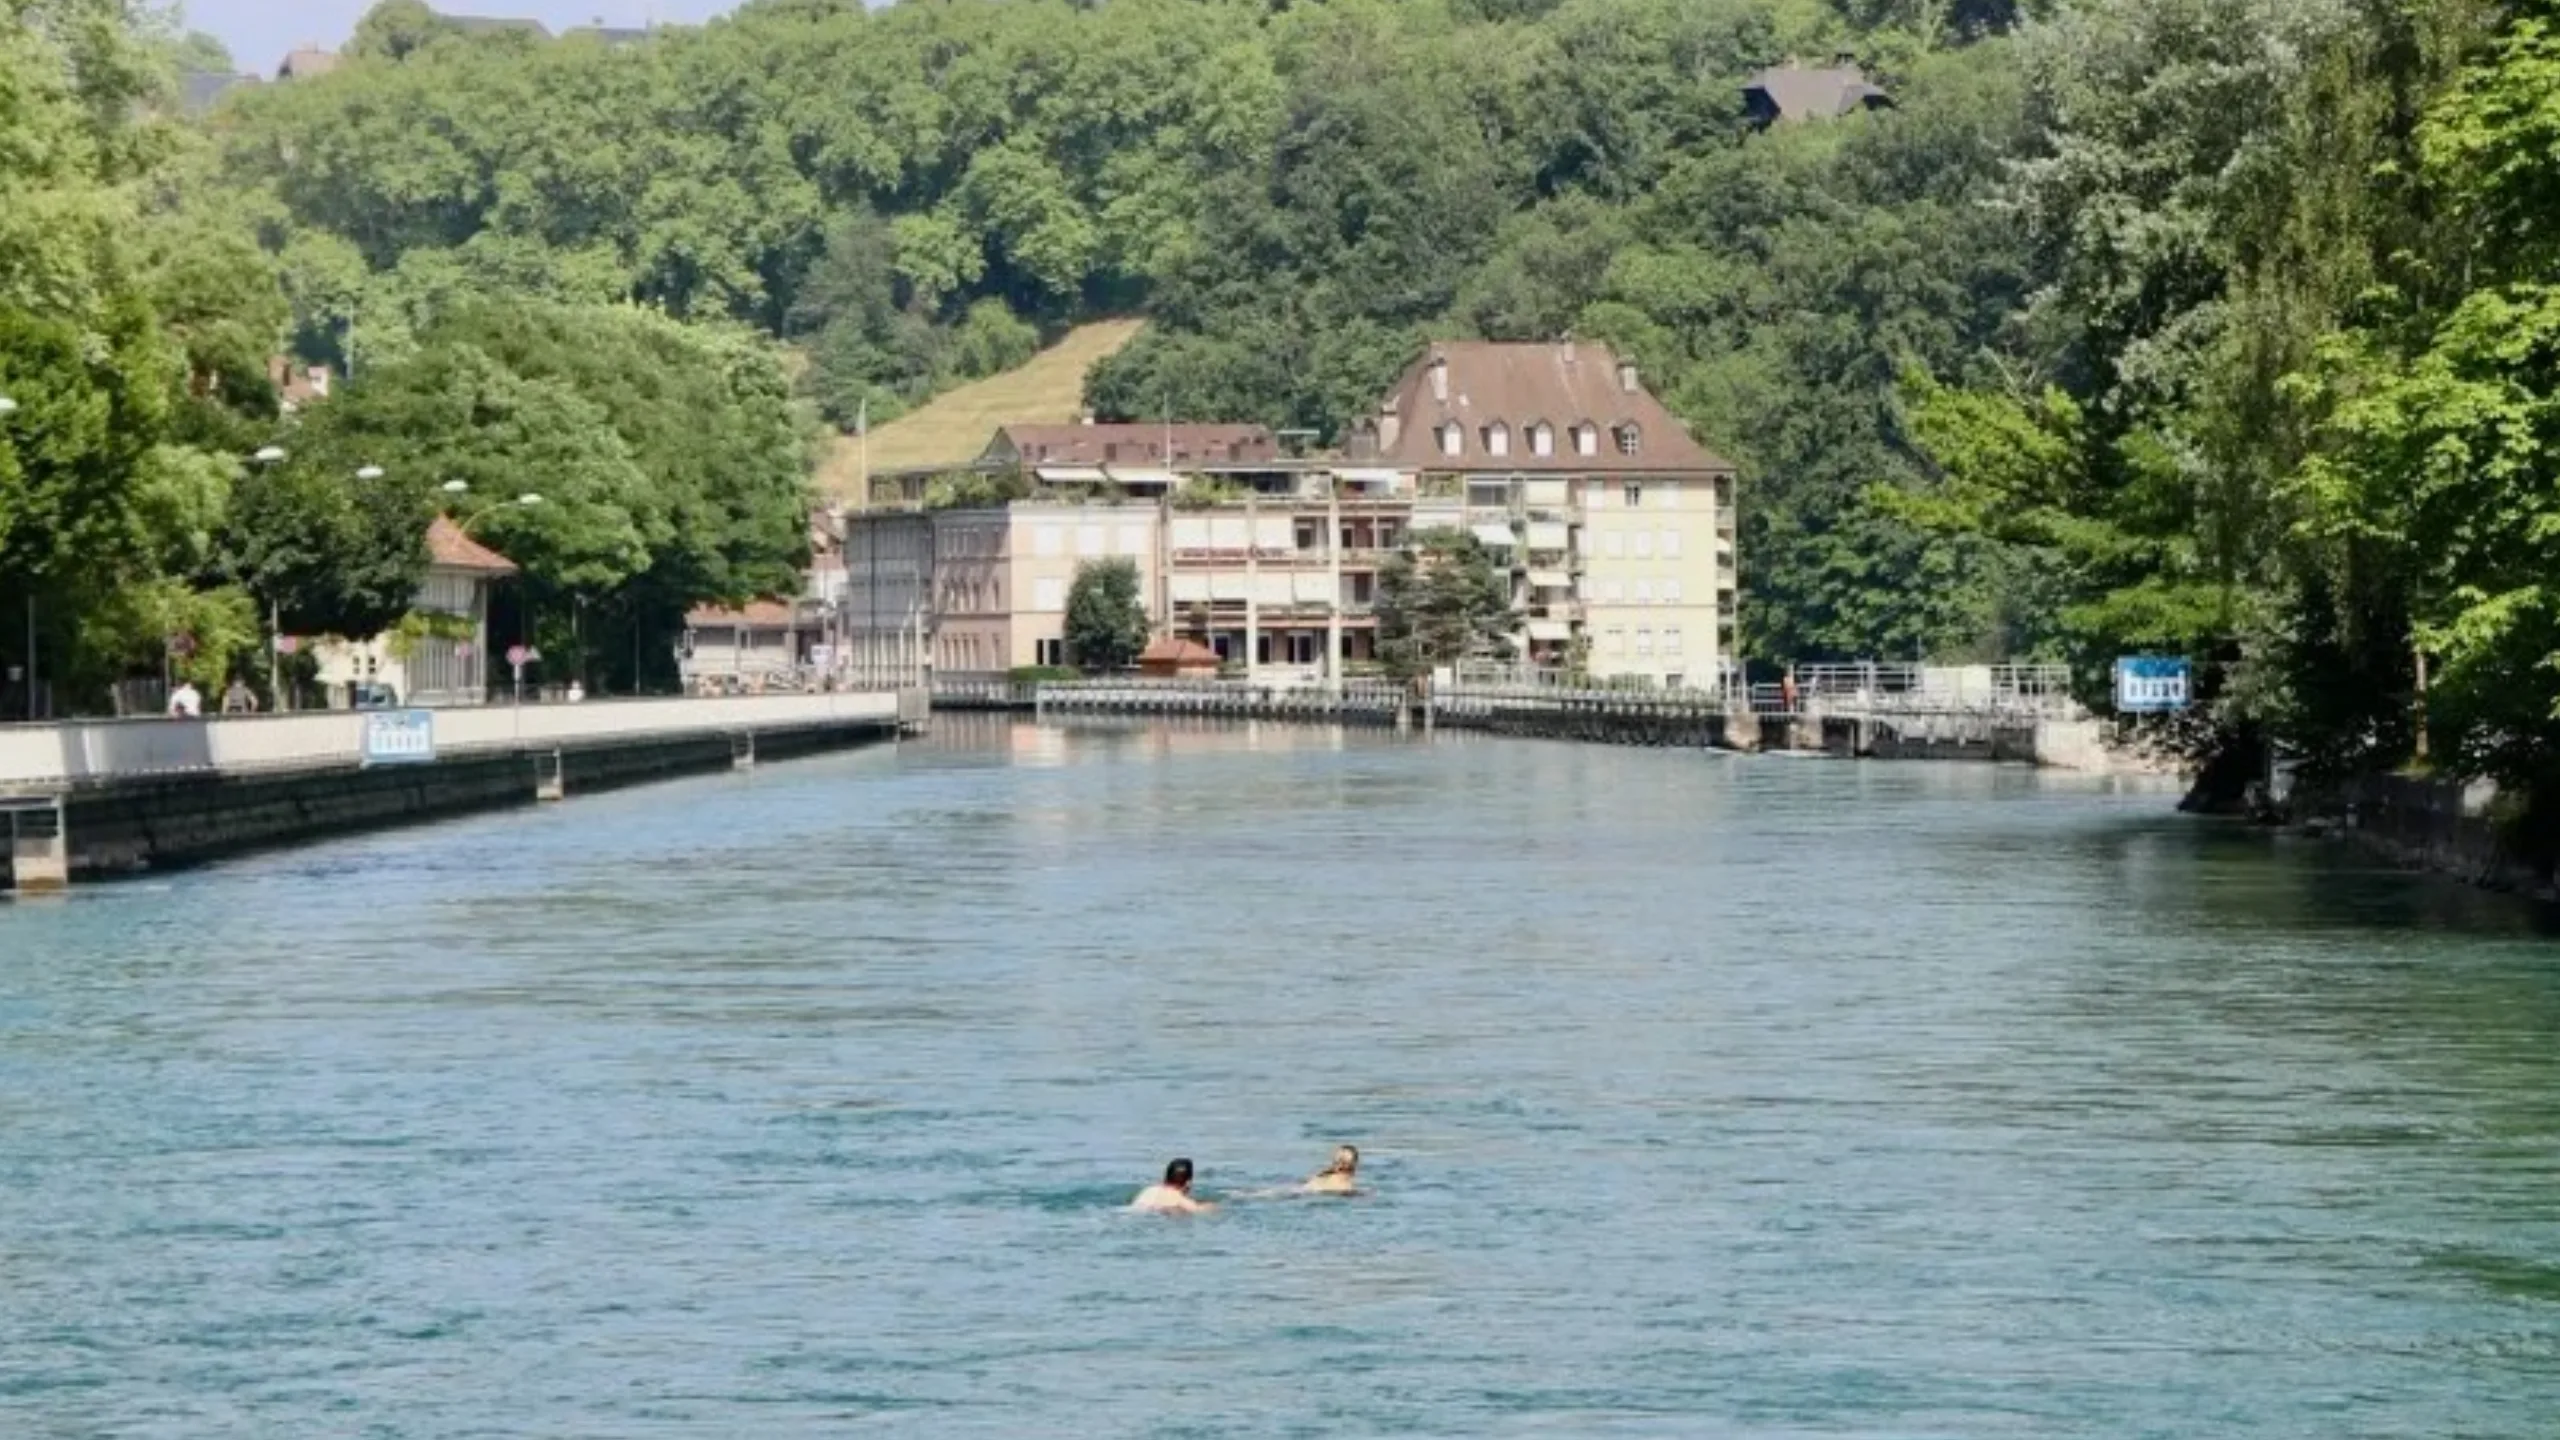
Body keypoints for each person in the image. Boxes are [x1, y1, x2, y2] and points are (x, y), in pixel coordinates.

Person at [1131, 1157, 1214, 1214]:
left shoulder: (1148, 1191)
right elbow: (1201, 1210)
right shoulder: (1180, 1200)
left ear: (1165, 1178)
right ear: (1188, 1182)